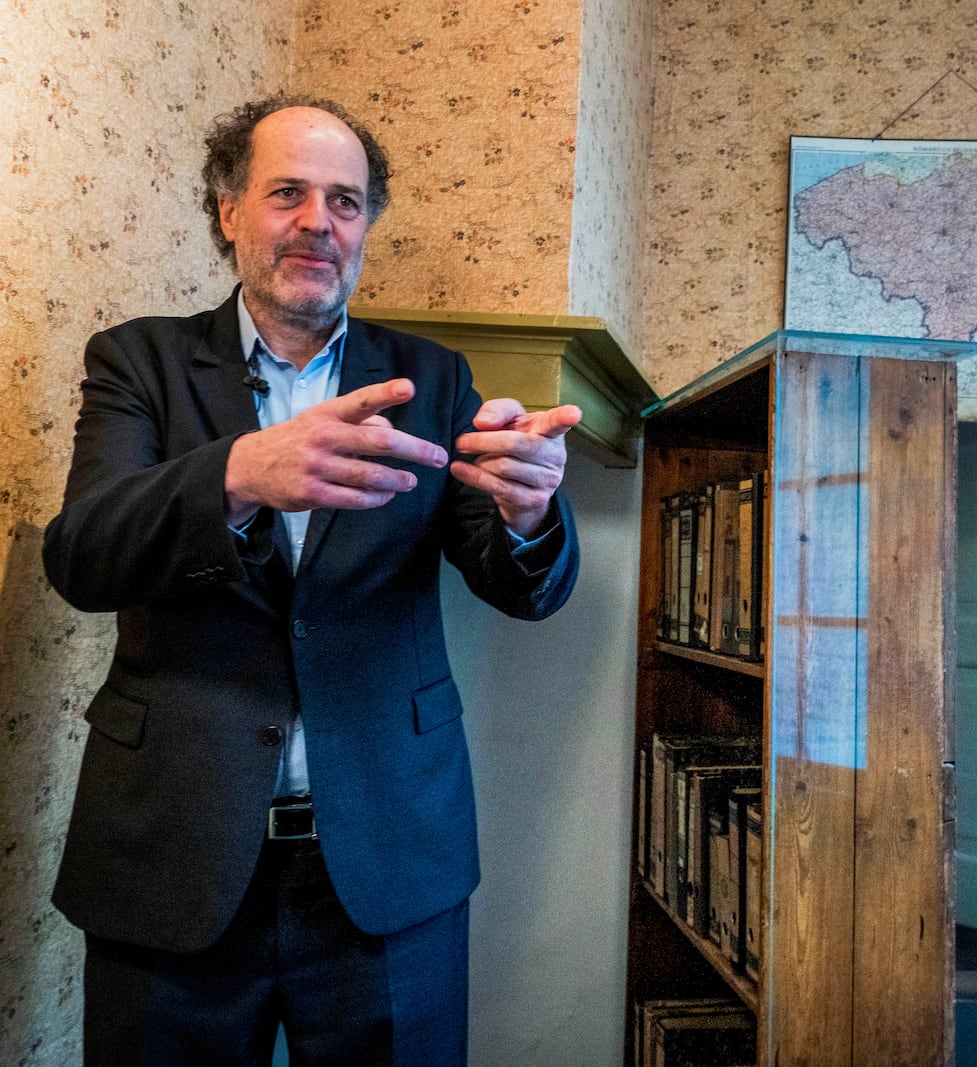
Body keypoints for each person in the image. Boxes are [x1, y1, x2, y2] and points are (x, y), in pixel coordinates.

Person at [42, 93, 581, 1065]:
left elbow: (520, 584)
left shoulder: (434, 377)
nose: (317, 222)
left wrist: (529, 509)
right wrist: (238, 473)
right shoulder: (139, 362)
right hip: (171, 852)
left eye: (344, 200)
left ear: (366, 224)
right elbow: (81, 553)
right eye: (287, 191)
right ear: (228, 209)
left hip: (388, 858)